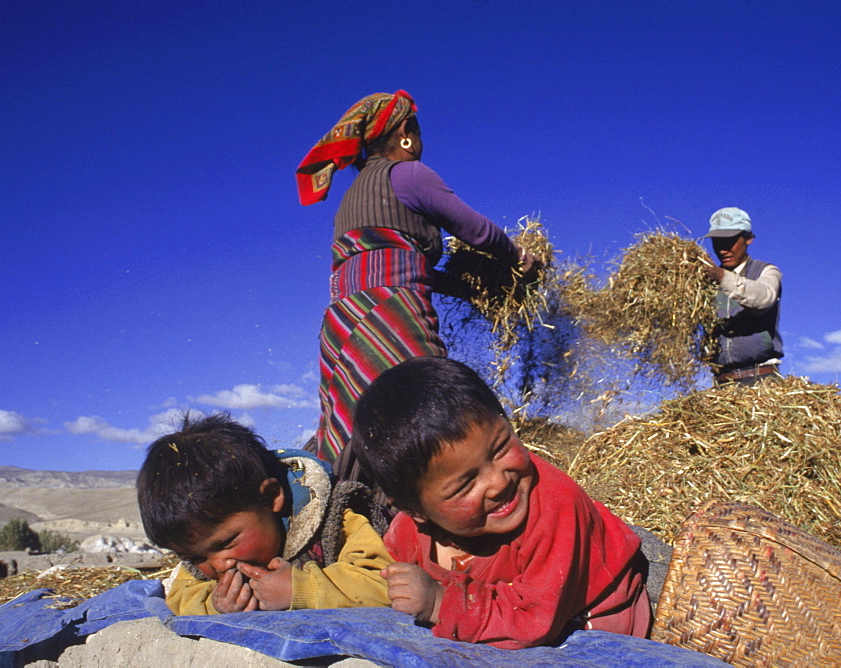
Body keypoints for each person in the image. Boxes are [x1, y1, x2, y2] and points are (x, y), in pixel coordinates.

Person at [296, 90, 540, 485]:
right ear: (406, 132)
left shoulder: (349, 200)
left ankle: (351, 500)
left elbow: (393, 265)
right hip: (390, 315)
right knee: (433, 406)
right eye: (418, 132)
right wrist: (518, 259)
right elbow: (474, 230)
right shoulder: (407, 174)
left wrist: (472, 289)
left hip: (341, 326)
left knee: (362, 418)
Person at [351, 357, 652, 649]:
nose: (498, 482)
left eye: (499, 449)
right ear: (416, 511)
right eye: (466, 484)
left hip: (590, 631)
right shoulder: (408, 533)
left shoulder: (554, 505)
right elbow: (380, 574)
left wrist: (439, 603)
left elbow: (534, 622)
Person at [136, 413, 393, 615]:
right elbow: (181, 597)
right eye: (194, 556)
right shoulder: (202, 551)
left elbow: (382, 582)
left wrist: (300, 589)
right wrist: (215, 605)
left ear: (271, 497)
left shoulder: (334, 516)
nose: (217, 566)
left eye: (226, 543)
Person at [702, 207, 783, 385]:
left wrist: (722, 277)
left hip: (761, 379)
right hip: (723, 383)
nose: (723, 249)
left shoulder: (766, 271)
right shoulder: (706, 284)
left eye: (730, 241)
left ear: (748, 239)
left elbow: (765, 297)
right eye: (717, 242)